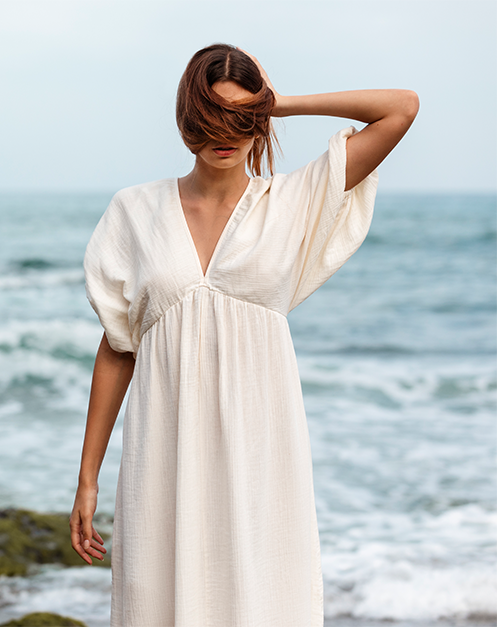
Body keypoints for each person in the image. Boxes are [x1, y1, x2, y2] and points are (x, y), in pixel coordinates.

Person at [69, 44, 418, 626]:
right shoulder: (135, 211)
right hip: (164, 457)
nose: (224, 135)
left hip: (262, 457)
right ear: (186, 123)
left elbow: (400, 109)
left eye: (241, 119)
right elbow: (117, 348)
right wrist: (87, 480)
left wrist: (280, 105)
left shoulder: (294, 203)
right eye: (210, 119)